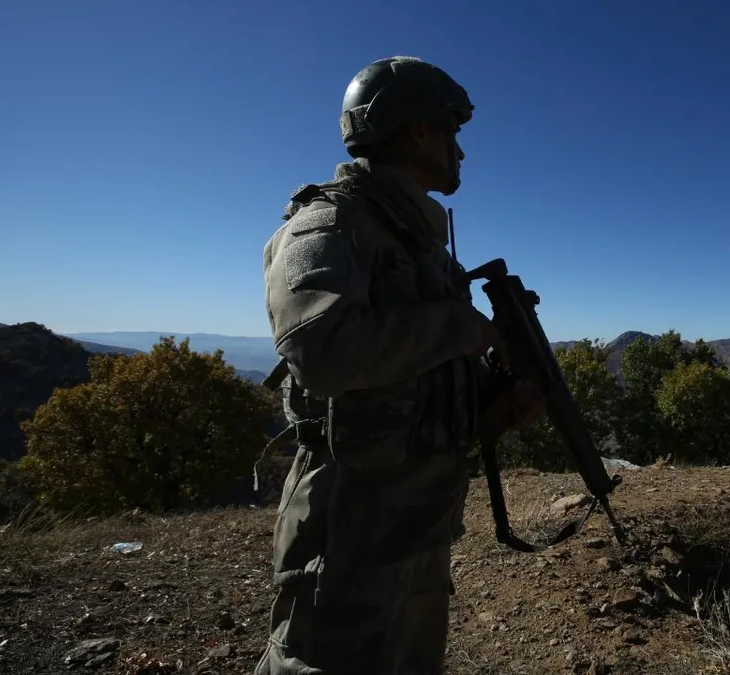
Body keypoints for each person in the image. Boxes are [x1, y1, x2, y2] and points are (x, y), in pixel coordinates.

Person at [253, 56, 545, 674]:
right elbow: (321, 350)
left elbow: (415, 375)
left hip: (418, 521)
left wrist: (493, 403)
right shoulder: (329, 223)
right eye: (452, 132)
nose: (460, 151)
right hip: (349, 525)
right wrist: (458, 327)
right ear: (417, 132)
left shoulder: (420, 246)